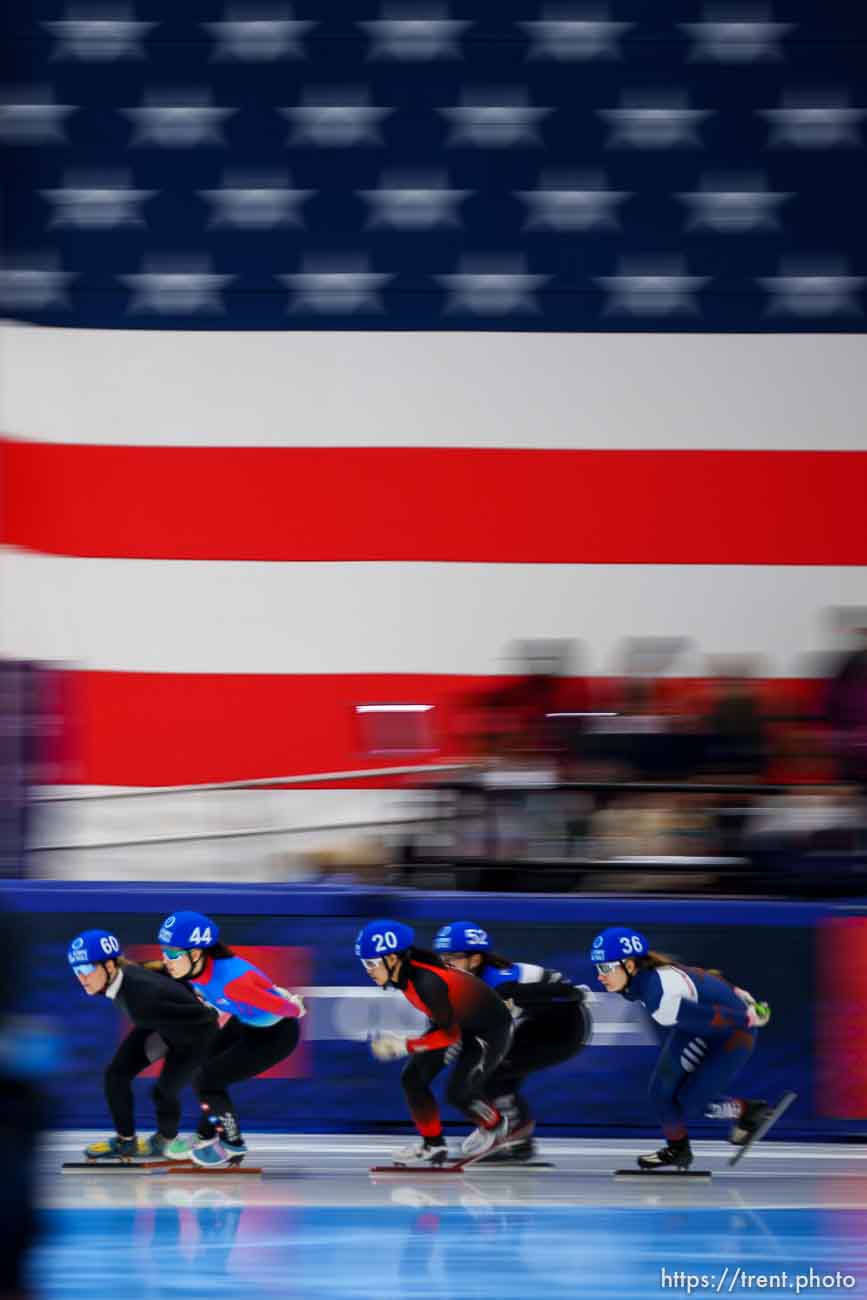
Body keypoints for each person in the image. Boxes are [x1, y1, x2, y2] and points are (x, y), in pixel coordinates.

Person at [591, 926, 772, 1170]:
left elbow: (711, 1016)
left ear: (630, 966)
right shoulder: (646, 979)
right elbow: (706, 978)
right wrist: (737, 992)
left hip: (734, 1032)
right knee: (660, 1093)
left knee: (688, 1103)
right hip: (702, 1025)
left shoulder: (658, 996)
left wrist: (749, 1017)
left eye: (605, 968)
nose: (600, 976)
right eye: (597, 968)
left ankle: (749, 1111)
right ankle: (677, 1150)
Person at [356, 918, 519, 1166]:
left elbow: (449, 1036)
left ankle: (496, 1125)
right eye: (363, 963)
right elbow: (446, 1026)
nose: (367, 969)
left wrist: (404, 1045)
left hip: (489, 1029)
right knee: (412, 1077)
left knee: (459, 1092)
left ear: (392, 959)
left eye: (371, 962)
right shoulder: (406, 974)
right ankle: (433, 1145)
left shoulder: (426, 982)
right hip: (459, 1021)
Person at [158, 911, 306, 1169]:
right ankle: (206, 1135)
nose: (166, 960)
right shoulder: (196, 972)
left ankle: (232, 1144)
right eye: (164, 951)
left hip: (277, 1035)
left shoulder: (233, 981)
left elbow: (288, 1009)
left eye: (172, 954)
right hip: (246, 1022)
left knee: (208, 1080)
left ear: (196, 953)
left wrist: (291, 1003)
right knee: (200, 1066)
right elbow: (225, 1005)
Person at [433, 920, 590, 1162]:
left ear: (474, 960)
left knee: (488, 1072)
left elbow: (567, 994)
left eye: (452, 958)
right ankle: (518, 1141)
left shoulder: (499, 984)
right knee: (489, 1073)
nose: (445, 965)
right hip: (538, 1022)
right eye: (442, 957)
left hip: (567, 1028)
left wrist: (572, 993)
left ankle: (511, 1134)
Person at [68, 928, 220, 1162]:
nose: (81, 977)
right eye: (76, 970)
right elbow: (163, 970)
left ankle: (176, 1139)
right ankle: (126, 1141)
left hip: (195, 1037)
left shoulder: (143, 997)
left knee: (164, 1091)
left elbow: (205, 1018)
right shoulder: (126, 974)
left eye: (86, 969)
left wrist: (205, 1003)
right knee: (116, 1075)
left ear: (109, 967)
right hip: (161, 1026)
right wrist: (191, 989)